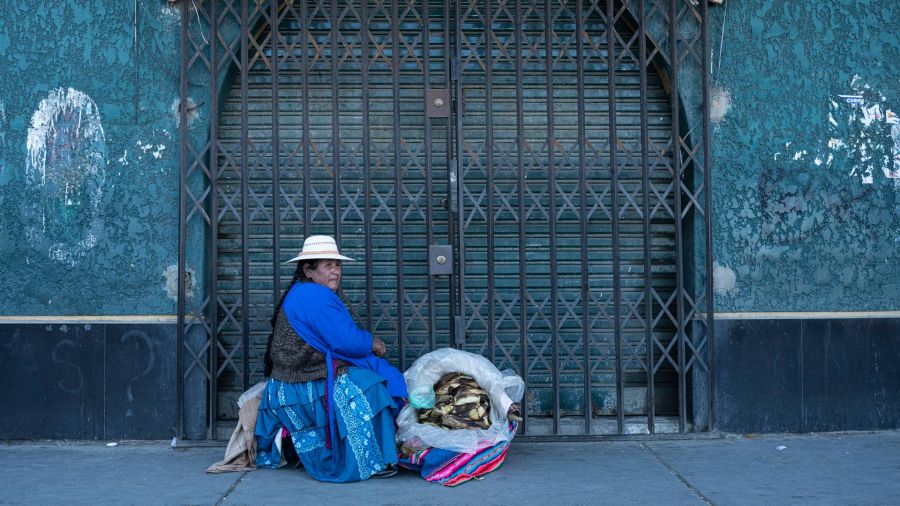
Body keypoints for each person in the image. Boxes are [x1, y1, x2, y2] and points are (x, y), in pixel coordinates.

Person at [255, 235, 408, 482]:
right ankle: (371, 461)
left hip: (300, 375)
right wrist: (372, 343)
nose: (336, 272)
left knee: (374, 376)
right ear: (308, 270)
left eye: (337, 265)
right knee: (372, 388)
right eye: (328, 265)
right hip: (303, 381)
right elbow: (345, 340)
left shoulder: (307, 292)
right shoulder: (313, 296)